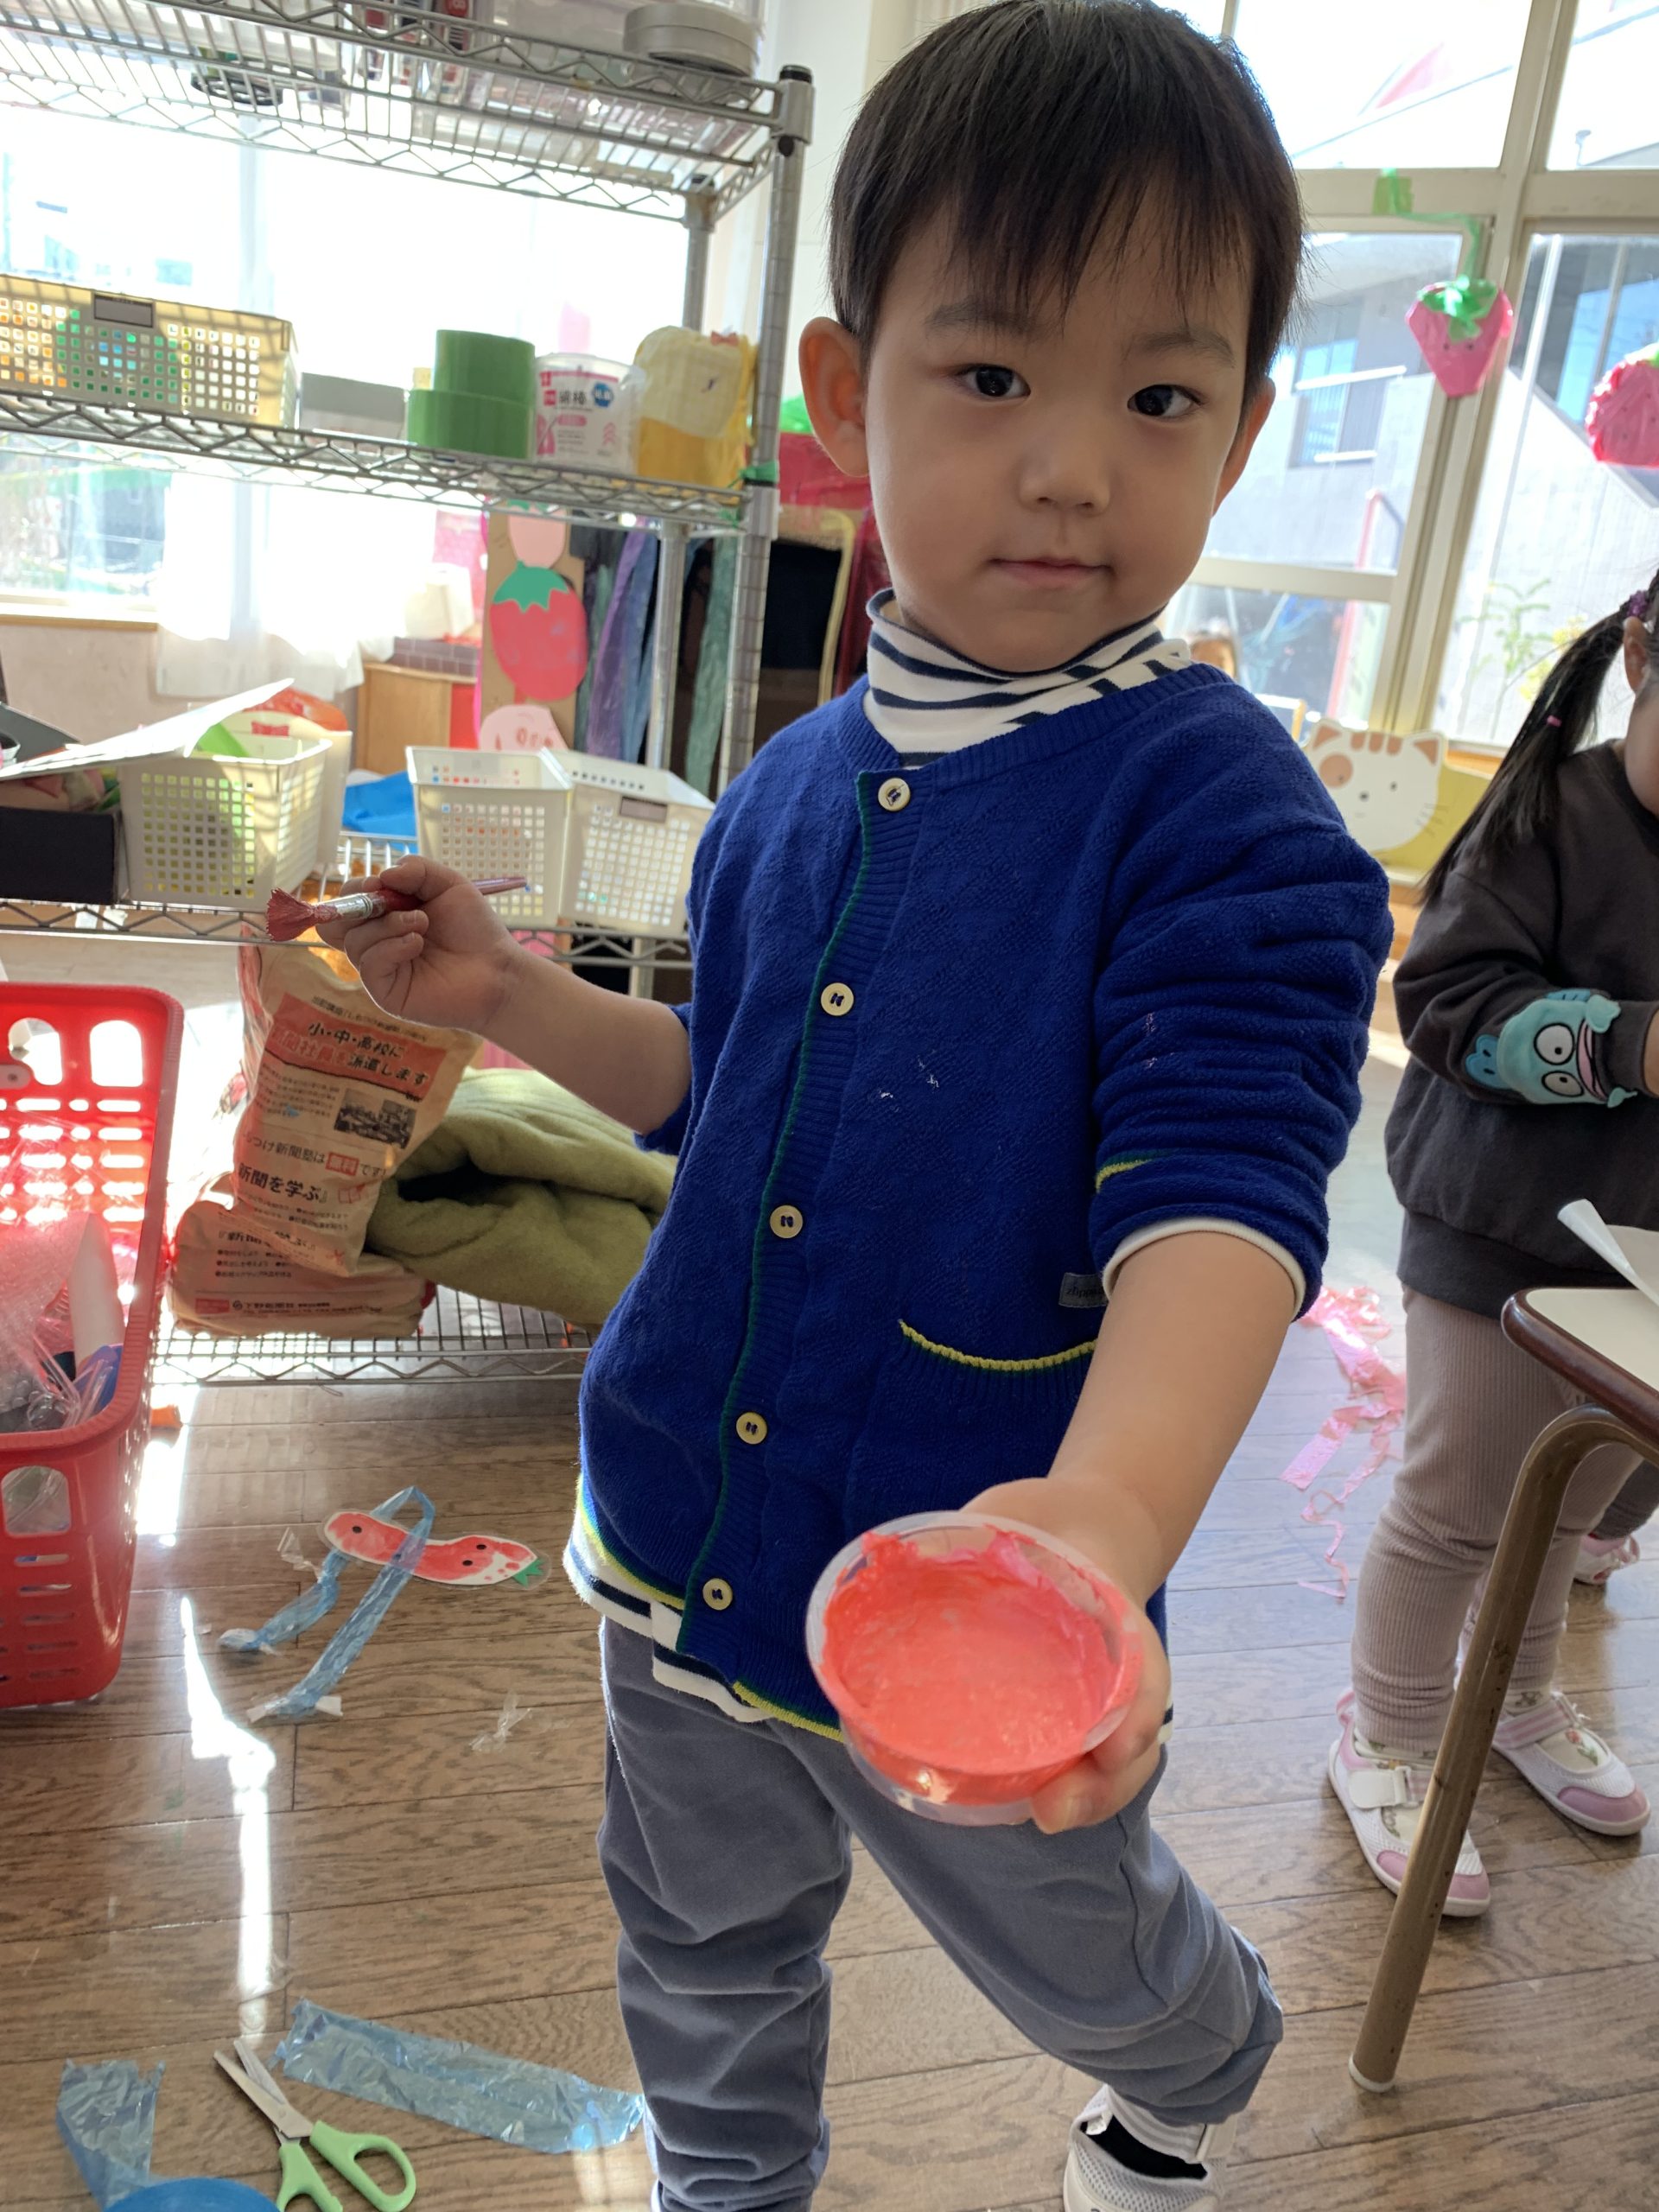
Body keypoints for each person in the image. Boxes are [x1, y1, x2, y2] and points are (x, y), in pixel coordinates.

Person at [323, 7, 1390, 2204]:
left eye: (1160, 397)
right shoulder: (789, 785)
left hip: (977, 1576)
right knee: (700, 1940)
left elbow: (1219, 1208)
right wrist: (506, 991)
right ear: (844, 393)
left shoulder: (1224, 818)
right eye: (992, 375)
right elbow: (717, 1091)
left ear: (1243, 431)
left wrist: (1102, 1519)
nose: (1073, 466)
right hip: (675, 1519)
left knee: (1079, 1949)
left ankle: (1193, 2071)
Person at [1332, 569, 1659, 1916]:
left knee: (1568, 1510)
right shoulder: (1548, 817)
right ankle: (1389, 1737)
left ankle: (1517, 1702)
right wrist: (1631, 1044)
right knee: (1460, 1505)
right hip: (1498, 1228)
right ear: (1641, 655)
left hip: (1641, 1260)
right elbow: (1448, 1003)